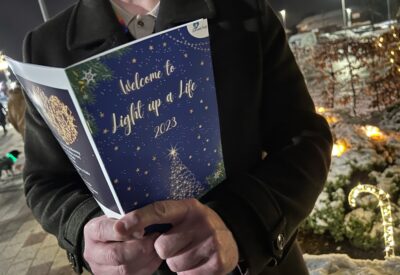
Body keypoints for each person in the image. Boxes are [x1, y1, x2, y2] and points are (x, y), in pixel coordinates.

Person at [22, 0, 333, 274]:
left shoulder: (243, 11)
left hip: (255, 265)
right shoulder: (47, 47)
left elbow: (305, 139)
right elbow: (46, 181)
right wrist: (84, 228)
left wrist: (241, 225)